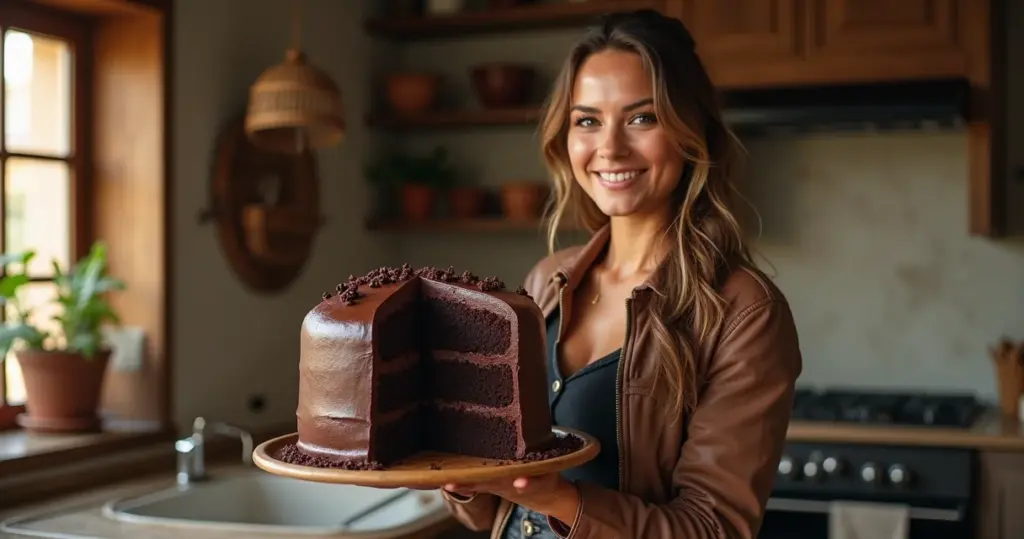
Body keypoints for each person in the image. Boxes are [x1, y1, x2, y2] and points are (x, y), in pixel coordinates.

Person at [439, 9, 802, 539]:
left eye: (641, 118)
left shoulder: (743, 312)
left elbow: (714, 528)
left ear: (689, 131)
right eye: (587, 120)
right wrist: (462, 474)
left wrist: (561, 500)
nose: (609, 148)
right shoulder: (547, 282)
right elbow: (494, 510)